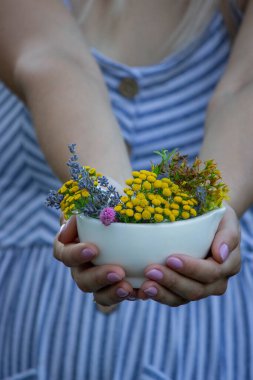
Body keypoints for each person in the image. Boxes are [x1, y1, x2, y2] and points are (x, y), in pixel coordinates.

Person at [0, 0, 252, 379]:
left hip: (201, 345)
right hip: (34, 326)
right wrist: (111, 209)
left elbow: (245, 90)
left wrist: (211, 216)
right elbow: (48, 60)